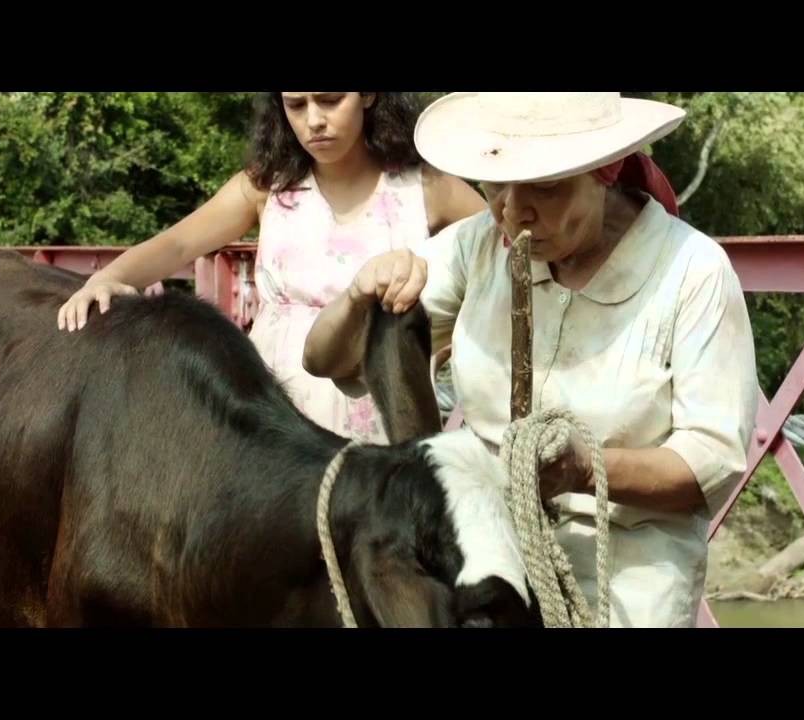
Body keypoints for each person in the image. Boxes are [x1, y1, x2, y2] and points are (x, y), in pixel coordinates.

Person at [301, 92, 759, 627]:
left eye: (545, 187)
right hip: (488, 564)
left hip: (628, 578)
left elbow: (712, 459)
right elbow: (326, 359)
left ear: (605, 173)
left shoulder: (693, 272)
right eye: (497, 186)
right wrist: (360, 294)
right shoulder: (480, 246)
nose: (513, 211)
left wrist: (585, 468)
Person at [57, 92, 486, 442]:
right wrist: (108, 277)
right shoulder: (268, 186)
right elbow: (180, 242)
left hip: (383, 414)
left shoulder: (424, 186)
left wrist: (458, 338)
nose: (313, 120)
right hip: (272, 412)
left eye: (330, 100)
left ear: (369, 96)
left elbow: (499, 250)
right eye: (296, 105)